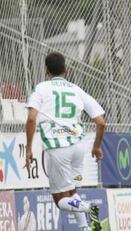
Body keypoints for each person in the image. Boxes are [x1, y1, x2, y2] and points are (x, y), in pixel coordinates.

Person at [25, 52, 105, 231]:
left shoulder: (41, 88)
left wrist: (29, 148)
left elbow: (31, 119)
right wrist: (96, 146)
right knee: (72, 192)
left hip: (57, 146)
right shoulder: (76, 89)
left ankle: (88, 207)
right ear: (66, 70)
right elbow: (101, 122)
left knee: (60, 200)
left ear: (46, 71)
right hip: (77, 146)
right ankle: (85, 228)